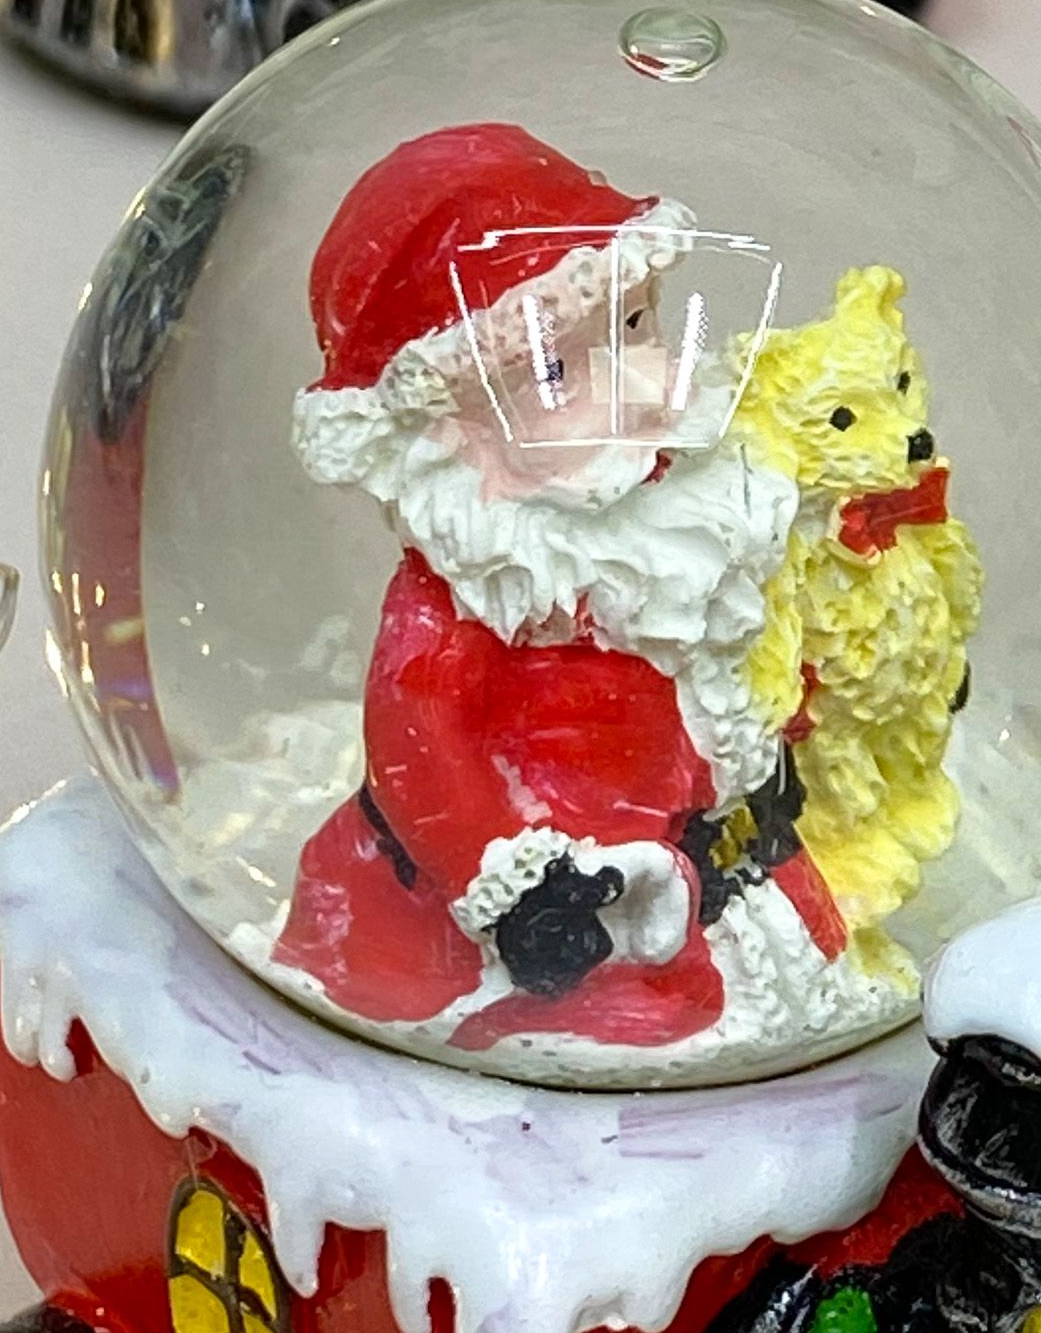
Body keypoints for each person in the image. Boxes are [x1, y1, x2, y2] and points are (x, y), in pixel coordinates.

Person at [280, 122, 972, 1064]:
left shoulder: (701, 516)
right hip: (586, 918)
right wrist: (519, 894)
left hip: (734, 860)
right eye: (557, 371)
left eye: (639, 326)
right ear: (448, 429)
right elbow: (421, 759)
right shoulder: (478, 597)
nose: (644, 389)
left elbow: (749, 635)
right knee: (615, 1044)